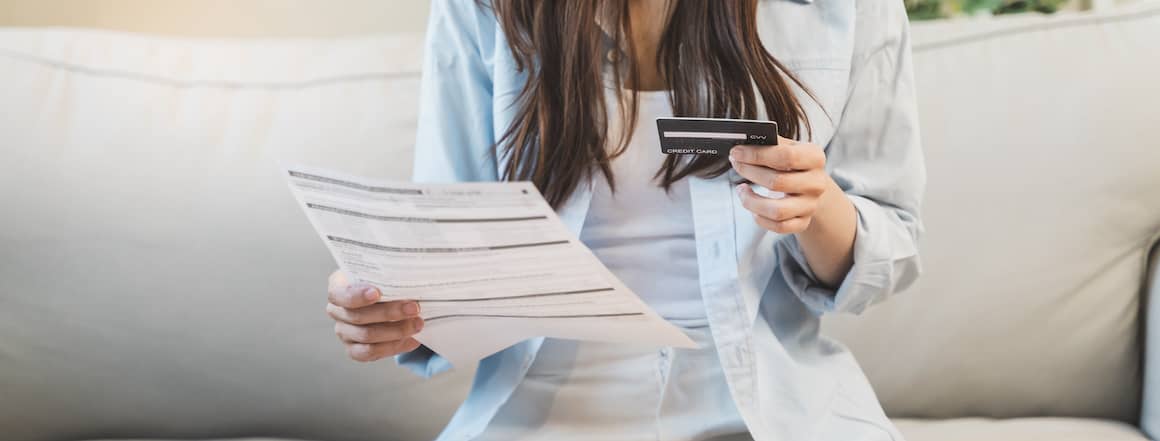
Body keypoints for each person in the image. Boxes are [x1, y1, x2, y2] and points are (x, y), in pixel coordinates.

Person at [326, 0, 924, 439]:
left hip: (767, 402)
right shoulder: (481, 9)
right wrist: (387, 303)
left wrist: (816, 207)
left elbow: (889, 245)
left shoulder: (851, 11)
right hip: (544, 408)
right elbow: (445, 247)